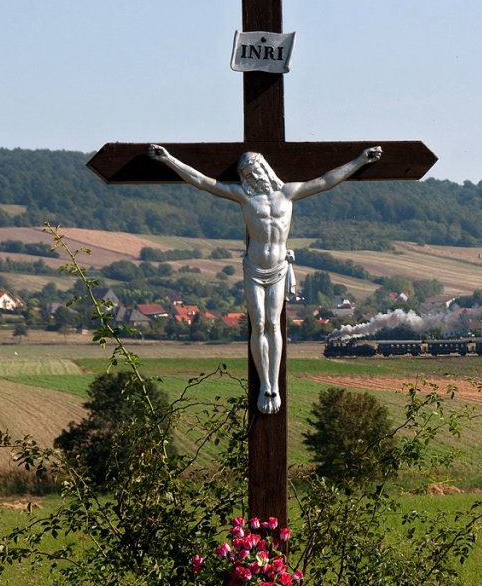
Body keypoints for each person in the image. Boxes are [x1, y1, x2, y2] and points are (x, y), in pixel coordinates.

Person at [147, 143, 382, 413]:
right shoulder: (244, 197)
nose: (253, 175)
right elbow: (202, 181)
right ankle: (264, 384)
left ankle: (275, 385)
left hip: (279, 267)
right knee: (257, 324)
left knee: (274, 324)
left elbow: (326, 181)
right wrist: (168, 159)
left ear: (265, 168)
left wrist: (360, 160)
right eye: (247, 172)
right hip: (254, 268)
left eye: (255, 169)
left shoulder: (288, 192)